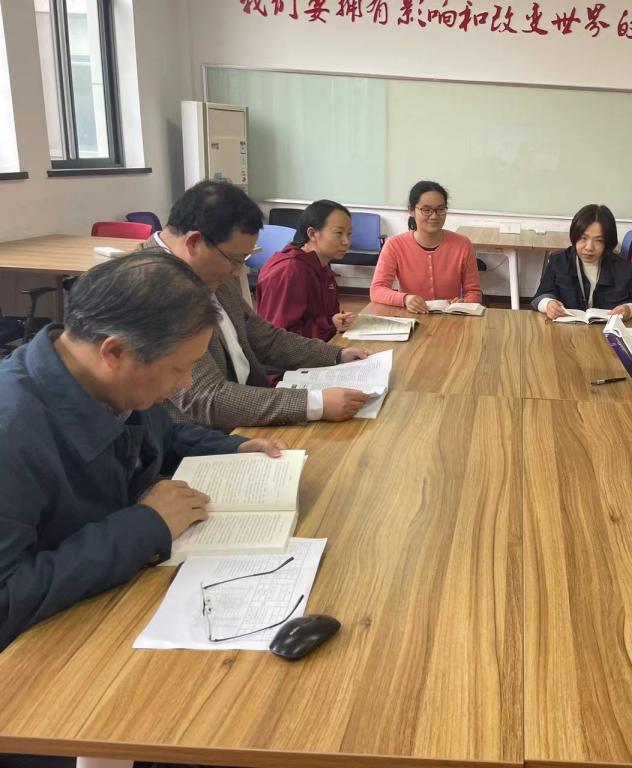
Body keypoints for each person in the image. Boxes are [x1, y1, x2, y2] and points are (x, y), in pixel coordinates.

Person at [0, 251, 288, 653]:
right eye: (178, 369)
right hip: (57, 652)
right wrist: (147, 525)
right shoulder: (12, 433)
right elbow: (7, 599)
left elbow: (161, 436)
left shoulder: (110, 383)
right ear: (114, 352)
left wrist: (232, 446)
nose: (185, 384)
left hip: (121, 596)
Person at [144, 181, 370, 429]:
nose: (237, 272)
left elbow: (262, 336)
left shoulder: (210, 265)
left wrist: (335, 355)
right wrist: (314, 404)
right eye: (236, 260)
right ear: (194, 243)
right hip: (207, 434)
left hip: (251, 408)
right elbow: (206, 399)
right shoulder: (152, 288)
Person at [370, 180, 482, 312]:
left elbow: (474, 292)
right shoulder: (395, 245)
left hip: (451, 317)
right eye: (426, 210)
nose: (434, 216)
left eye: (440, 209)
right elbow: (377, 290)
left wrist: (464, 303)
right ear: (411, 210)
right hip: (411, 316)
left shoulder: (462, 244)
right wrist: (405, 299)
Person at [256, 199, 357, 341]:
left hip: (321, 345)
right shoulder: (289, 271)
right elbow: (278, 338)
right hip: (293, 354)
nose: (346, 241)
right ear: (312, 234)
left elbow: (323, 316)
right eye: (339, 233)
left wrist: (334, 321)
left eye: (349, 234)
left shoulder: (322, 264)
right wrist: (329, 324)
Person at [531, 203, 632, 320]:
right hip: (566, 330)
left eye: (598, 240)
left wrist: (629, 309)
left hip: (605, 331)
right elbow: (540, 296)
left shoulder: (622, 268)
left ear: (607, 242)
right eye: (583, 238)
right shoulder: (558, 261)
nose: (589, 247)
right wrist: (548, 303)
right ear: (575, 236)